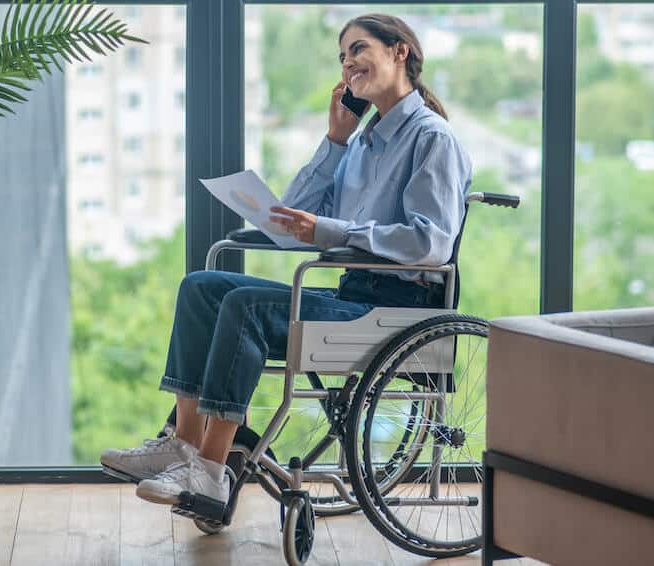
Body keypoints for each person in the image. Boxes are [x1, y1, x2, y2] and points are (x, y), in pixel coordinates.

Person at [100, 13, 473, 507]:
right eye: (343, 57)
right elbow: (293, 216)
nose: (348, 65)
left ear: (399, 51)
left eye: (359, 50)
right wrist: (336, 139)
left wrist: (329, 230)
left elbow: (430, 243)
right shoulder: (361, 142)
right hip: (353, 294)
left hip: (400, 308)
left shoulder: (432, 139)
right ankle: (183, 445)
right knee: (201, 286)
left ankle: (210, 471)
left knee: (248, 306)